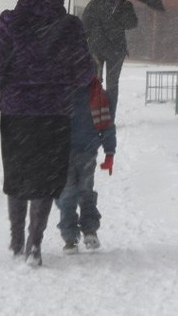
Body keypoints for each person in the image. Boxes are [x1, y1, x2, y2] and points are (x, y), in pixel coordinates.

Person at [0, 0, 93, 267]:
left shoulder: (12, 21)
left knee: (18, 176)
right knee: (45, 180)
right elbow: (85, 73)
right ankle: (35, 243)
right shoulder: (70, 25)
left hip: (17, 113)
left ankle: (16, 238)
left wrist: (13, 79)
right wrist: (61, 80)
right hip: (55, 113)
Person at [55, 78, 116, 253]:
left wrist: (110, 152)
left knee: (72, 193)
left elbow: (107, 126)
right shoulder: (97, 94)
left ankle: (76, 235)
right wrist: (109, 151)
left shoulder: (63, 92)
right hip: (73, 151)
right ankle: (80, 233)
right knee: (79, 192)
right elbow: (107, 126)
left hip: (79, 151)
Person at [81, 0, 138, 120]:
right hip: (114, 51)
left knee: (95, 83)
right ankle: (110, 116)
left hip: (98, 49)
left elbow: (85, 26)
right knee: (111, 84)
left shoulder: (94, 4)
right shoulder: (124, 5)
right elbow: (132, 23)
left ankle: (95, 115)